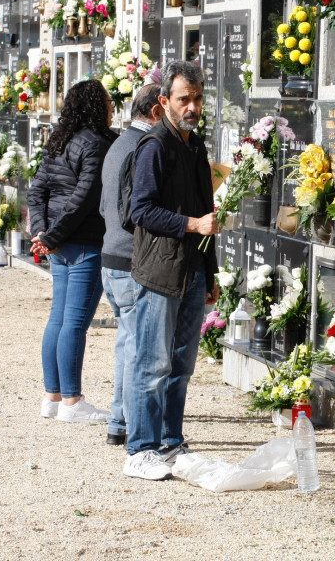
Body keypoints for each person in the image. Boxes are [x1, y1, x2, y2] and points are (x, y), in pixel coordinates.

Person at [122, 60, 220, 480]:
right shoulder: (155, 147)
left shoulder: (195, 147)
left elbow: (207, 211)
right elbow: (139, 210)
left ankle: (169, 440)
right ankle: (139, 449)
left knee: (181, 364)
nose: (193, 106)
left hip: (193, 271)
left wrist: (210, 273)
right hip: (160, 271)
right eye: (185, 98)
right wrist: (190, 225)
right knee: (152, 362)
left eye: (198, 98)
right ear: (164, 102)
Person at [27, 80, 118, 424]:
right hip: (84, 242)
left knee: (59, 319)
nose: (112, 107)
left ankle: (52, 397)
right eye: (108, 102)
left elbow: (37, 193)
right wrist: (48, 235)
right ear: (99, 106)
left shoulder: (60, 141)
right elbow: (84, 199)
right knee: (74, 323)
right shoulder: (98, 144)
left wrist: (43, 232)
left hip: (61, 243)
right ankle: (72, 401)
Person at [99, 84, 164, 446]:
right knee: (138, 347)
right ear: (157, 111)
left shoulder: (118, 144)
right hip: (129, 257)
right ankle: (127, 424)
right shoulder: (142, 148)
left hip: (111, 254)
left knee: (127, 341)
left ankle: (118, 422)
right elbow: (135, 212)